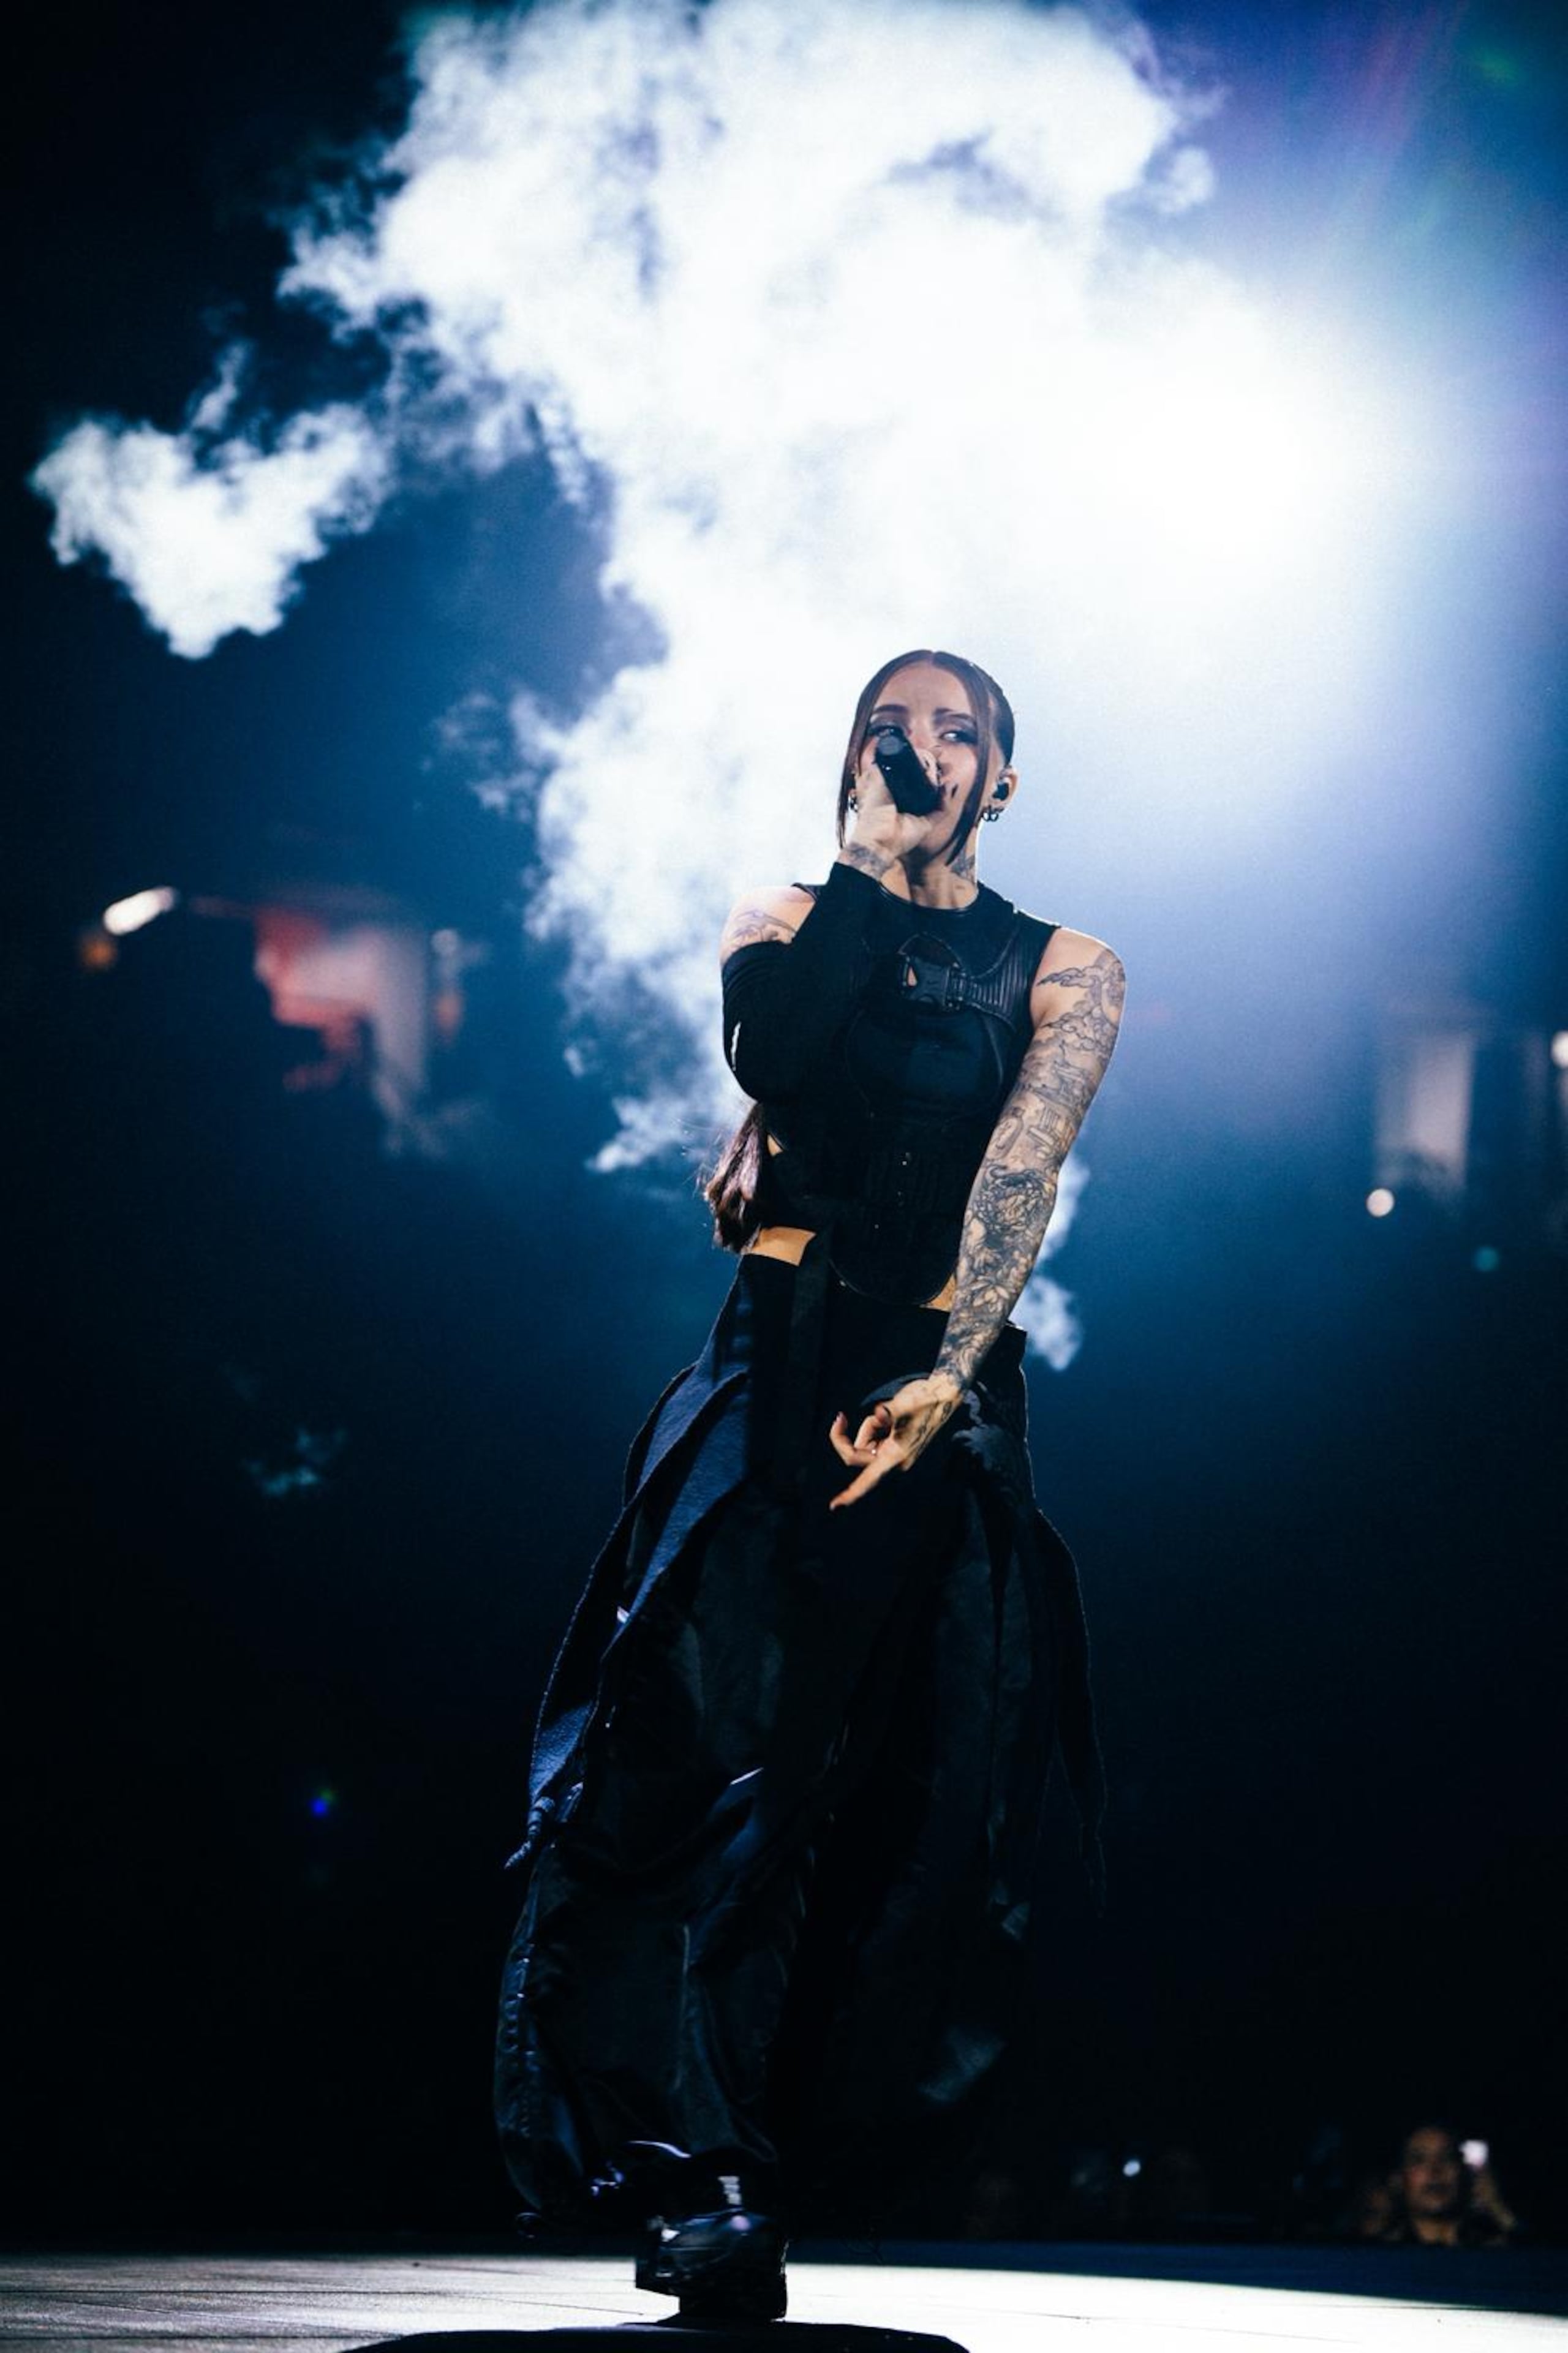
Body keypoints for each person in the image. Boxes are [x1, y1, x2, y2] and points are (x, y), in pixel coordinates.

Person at [493, 650, 1125, 2318]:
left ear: (1004, 769)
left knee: (880, 1773)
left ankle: (768, 2152)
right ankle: (690, 2159)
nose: (923, 748)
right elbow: (774, 1053)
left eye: (960, 728)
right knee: (692, 1735)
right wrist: (860, 871)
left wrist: (950, 1367)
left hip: (932, 1371)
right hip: (779, 1352)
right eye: (889, 725)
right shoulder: (785, 914)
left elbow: (1024, 1164)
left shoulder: (1065, 966)